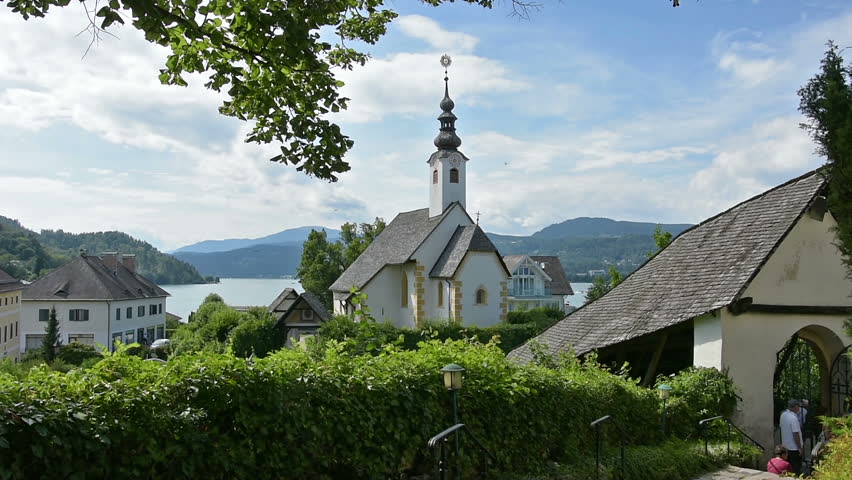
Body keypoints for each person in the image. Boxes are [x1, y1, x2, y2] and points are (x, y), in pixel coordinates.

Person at [780, 399, 804, 475]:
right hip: (794, 448)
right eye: (798, 406)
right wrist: (799, 448)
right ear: (795, 406)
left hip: (785, 447)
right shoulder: (793, 418)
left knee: (788, 468)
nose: (799, 408)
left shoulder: (783, 415)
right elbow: (795, 434)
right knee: (796, 469)